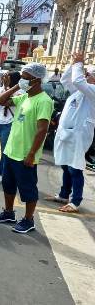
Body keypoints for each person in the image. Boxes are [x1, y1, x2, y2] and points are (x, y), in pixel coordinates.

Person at [0, 62, 53, 234]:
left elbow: (42, 130)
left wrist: (32, 154)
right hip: (11, 151)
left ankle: (28, 220)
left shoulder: (44, 101)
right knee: (8, 185)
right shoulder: (25, 97)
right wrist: (17, 85)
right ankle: (9, 213)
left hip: (25, 154)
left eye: (25, 77)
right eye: (22, 77)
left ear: (37, 80)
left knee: (28, 189)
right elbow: (0, 101)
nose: (22, 80)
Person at [46, 52, 95, 213]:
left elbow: (77, 80)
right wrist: (73, 63)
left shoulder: (92, 90)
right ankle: (63, 194)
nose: (85, 75)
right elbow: (66, 80)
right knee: (66, 165)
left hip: (79, 135)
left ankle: (75, 202)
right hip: (68, 133)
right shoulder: (81, 90)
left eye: (88, 74)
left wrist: (79, 65)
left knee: (75, 167)